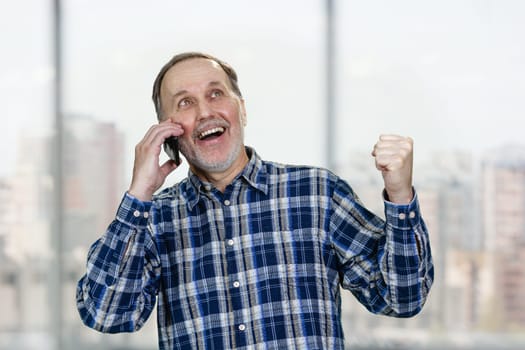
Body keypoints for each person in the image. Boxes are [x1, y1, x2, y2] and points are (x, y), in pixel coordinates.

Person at [76, 52, 434, 349]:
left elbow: (401, 298)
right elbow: (107, 314)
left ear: (241, 110)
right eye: (185, 102)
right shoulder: (153, 221)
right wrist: (139, 194)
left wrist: (400, 197)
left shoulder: (317, 194)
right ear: (167, 132)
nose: (204, 112)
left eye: (216, 94)